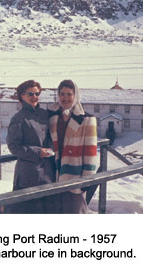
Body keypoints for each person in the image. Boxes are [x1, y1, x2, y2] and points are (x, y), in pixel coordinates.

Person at [3, 80, 56, 214]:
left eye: (37, 93)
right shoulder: (19, 119)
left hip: (47, 174)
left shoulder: (44, 115)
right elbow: (14, 146)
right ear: (22, 96)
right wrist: (38, 152)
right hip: (28, 176)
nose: (34, 97)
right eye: (30, 94)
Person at [48, 79, 97, 213]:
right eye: (62, 94)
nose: (65, 98)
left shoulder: (87, 119)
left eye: (69, 94)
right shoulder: (53, 116)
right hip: (55, 176)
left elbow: (90, 152)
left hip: (75, 176)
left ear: (76, 95)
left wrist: (86, 181)